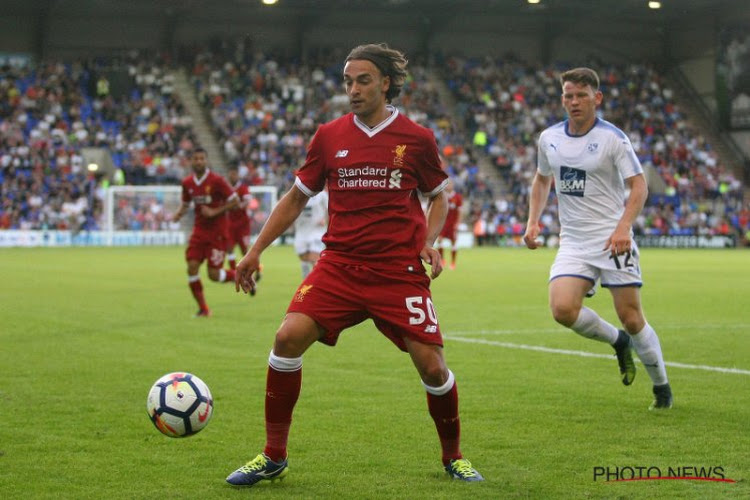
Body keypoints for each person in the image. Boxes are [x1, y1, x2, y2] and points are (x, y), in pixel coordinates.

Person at [226, 43, 484, 487]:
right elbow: (294, 199)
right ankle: (273, 455)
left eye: (363, 80)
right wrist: (255, 250)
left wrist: (429, 241)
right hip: (340, 267)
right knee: (286, 339)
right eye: (348, 81)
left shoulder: (417, 139)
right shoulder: (329, 135)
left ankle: (454, 457)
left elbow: (438, 196)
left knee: (434, 369)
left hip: (396, 271)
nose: (353, 89)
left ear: (386, 83)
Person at [522, 67, 673, 410]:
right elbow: (542, 180)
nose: (573, 102)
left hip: (612, 240)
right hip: (574, 242)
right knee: (562, 309)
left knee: (632, 317)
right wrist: (533, 221)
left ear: (597, 98)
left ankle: (661, 387)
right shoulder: (549, 138)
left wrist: (623, 228)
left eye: (581, 95)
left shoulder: (613, 139)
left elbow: (639, 185)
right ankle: (618, 342)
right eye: (568, 96)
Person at [172, 148, 239, 317]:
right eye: (196, 158)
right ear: (191, 161)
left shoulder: (217, 181)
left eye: (202, 158)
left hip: (217, 233)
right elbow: (186, 203)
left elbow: (235, 201)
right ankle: (203, 309)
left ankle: (238, 276)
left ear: (206, 161)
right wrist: (178, 214)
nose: (199, 161)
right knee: (192, 267)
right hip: (199, 232)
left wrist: (214, 212)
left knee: (214, 275)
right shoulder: (187, 183)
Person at [225, 165, 262, 290]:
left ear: (237, 175)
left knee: (245, 252)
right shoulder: (226, 188)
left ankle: (258, 269)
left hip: (242, 225)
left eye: (234, 174)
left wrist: (239, 205)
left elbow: (247, 201)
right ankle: (233, 273)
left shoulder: (243, 188)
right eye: (231, 174)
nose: (233, 176)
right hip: (230, 224)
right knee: (229, 248)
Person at [292, 189, 328, 278]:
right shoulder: (296, 193)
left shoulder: (322, 195)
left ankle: (316, 284)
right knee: (304, 260)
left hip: (317, 231)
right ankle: (306, 282)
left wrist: (325, 220)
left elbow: (329, 209)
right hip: (301, 231)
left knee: (314, 259)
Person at [437, 179, 463, 270]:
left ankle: (453, 262)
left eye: (450, 184)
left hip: (452, 224)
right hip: (443, 223)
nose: (448, 186)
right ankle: (442, 260)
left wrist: (458, 223)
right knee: (440, 240)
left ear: (453, 185)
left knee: (453, 242)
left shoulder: (458, 197)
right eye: (447, 184)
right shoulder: (442, 196)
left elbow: (460, 212)